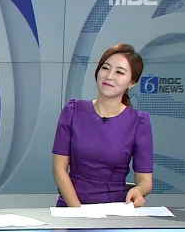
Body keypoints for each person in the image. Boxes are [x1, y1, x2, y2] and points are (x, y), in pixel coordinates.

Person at [52, 43, 153, 208]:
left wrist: (139, 190)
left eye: (119, 72)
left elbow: (145, 181)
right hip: (71, 208)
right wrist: (78, 213)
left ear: (132, 82)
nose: (109, 76)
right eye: (105, 68)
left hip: (114, 210)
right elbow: (59, 170)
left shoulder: (138, 122)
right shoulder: (73, 110)